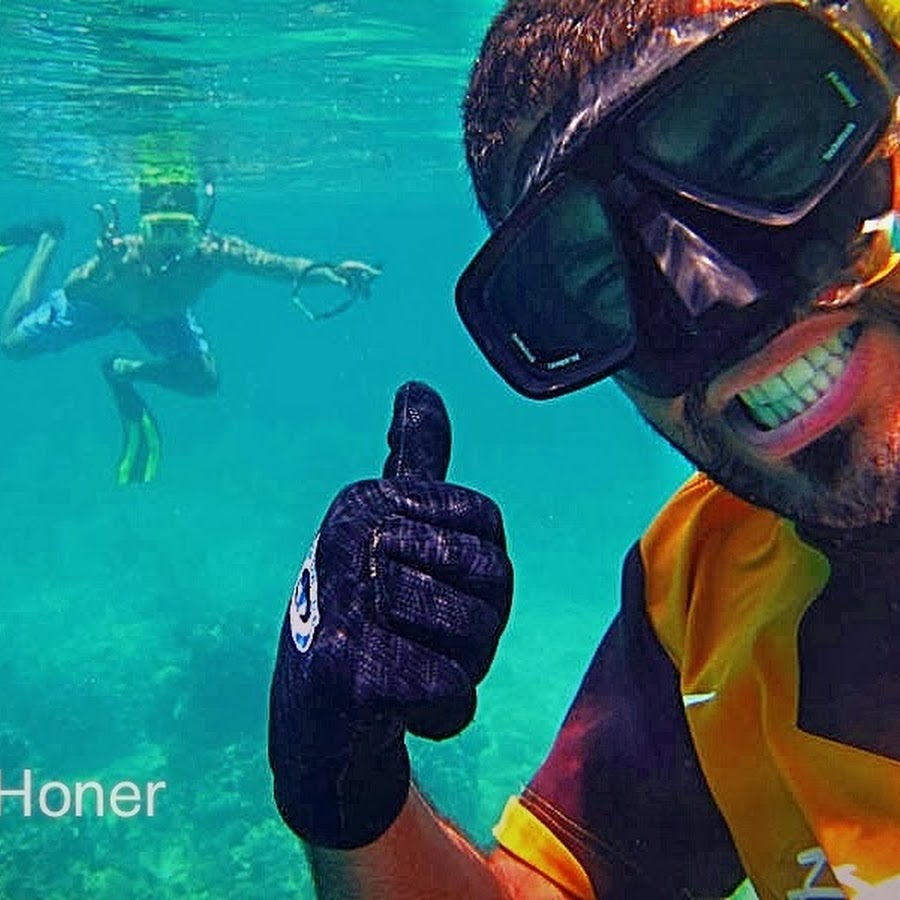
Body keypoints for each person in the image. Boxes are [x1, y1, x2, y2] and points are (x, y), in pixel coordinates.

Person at [267, 0, 900, 896]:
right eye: (606, 276)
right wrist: (346, 791)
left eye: (764, 158)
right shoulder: (706, 598)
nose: (716, 302)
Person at [0, 173, 381, 484]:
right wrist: (101, 266)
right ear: (142, 227)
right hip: (101, 307)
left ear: (198, 225)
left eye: (179, 230)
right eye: (158, 230)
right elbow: (73, 289)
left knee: (204, 381)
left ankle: (121, 370)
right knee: (11, 343)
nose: (169, 244)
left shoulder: (215, 253)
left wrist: (333, 273)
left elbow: (279, 267)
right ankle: (48, 238)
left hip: (161, 315)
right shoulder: (122, 254)